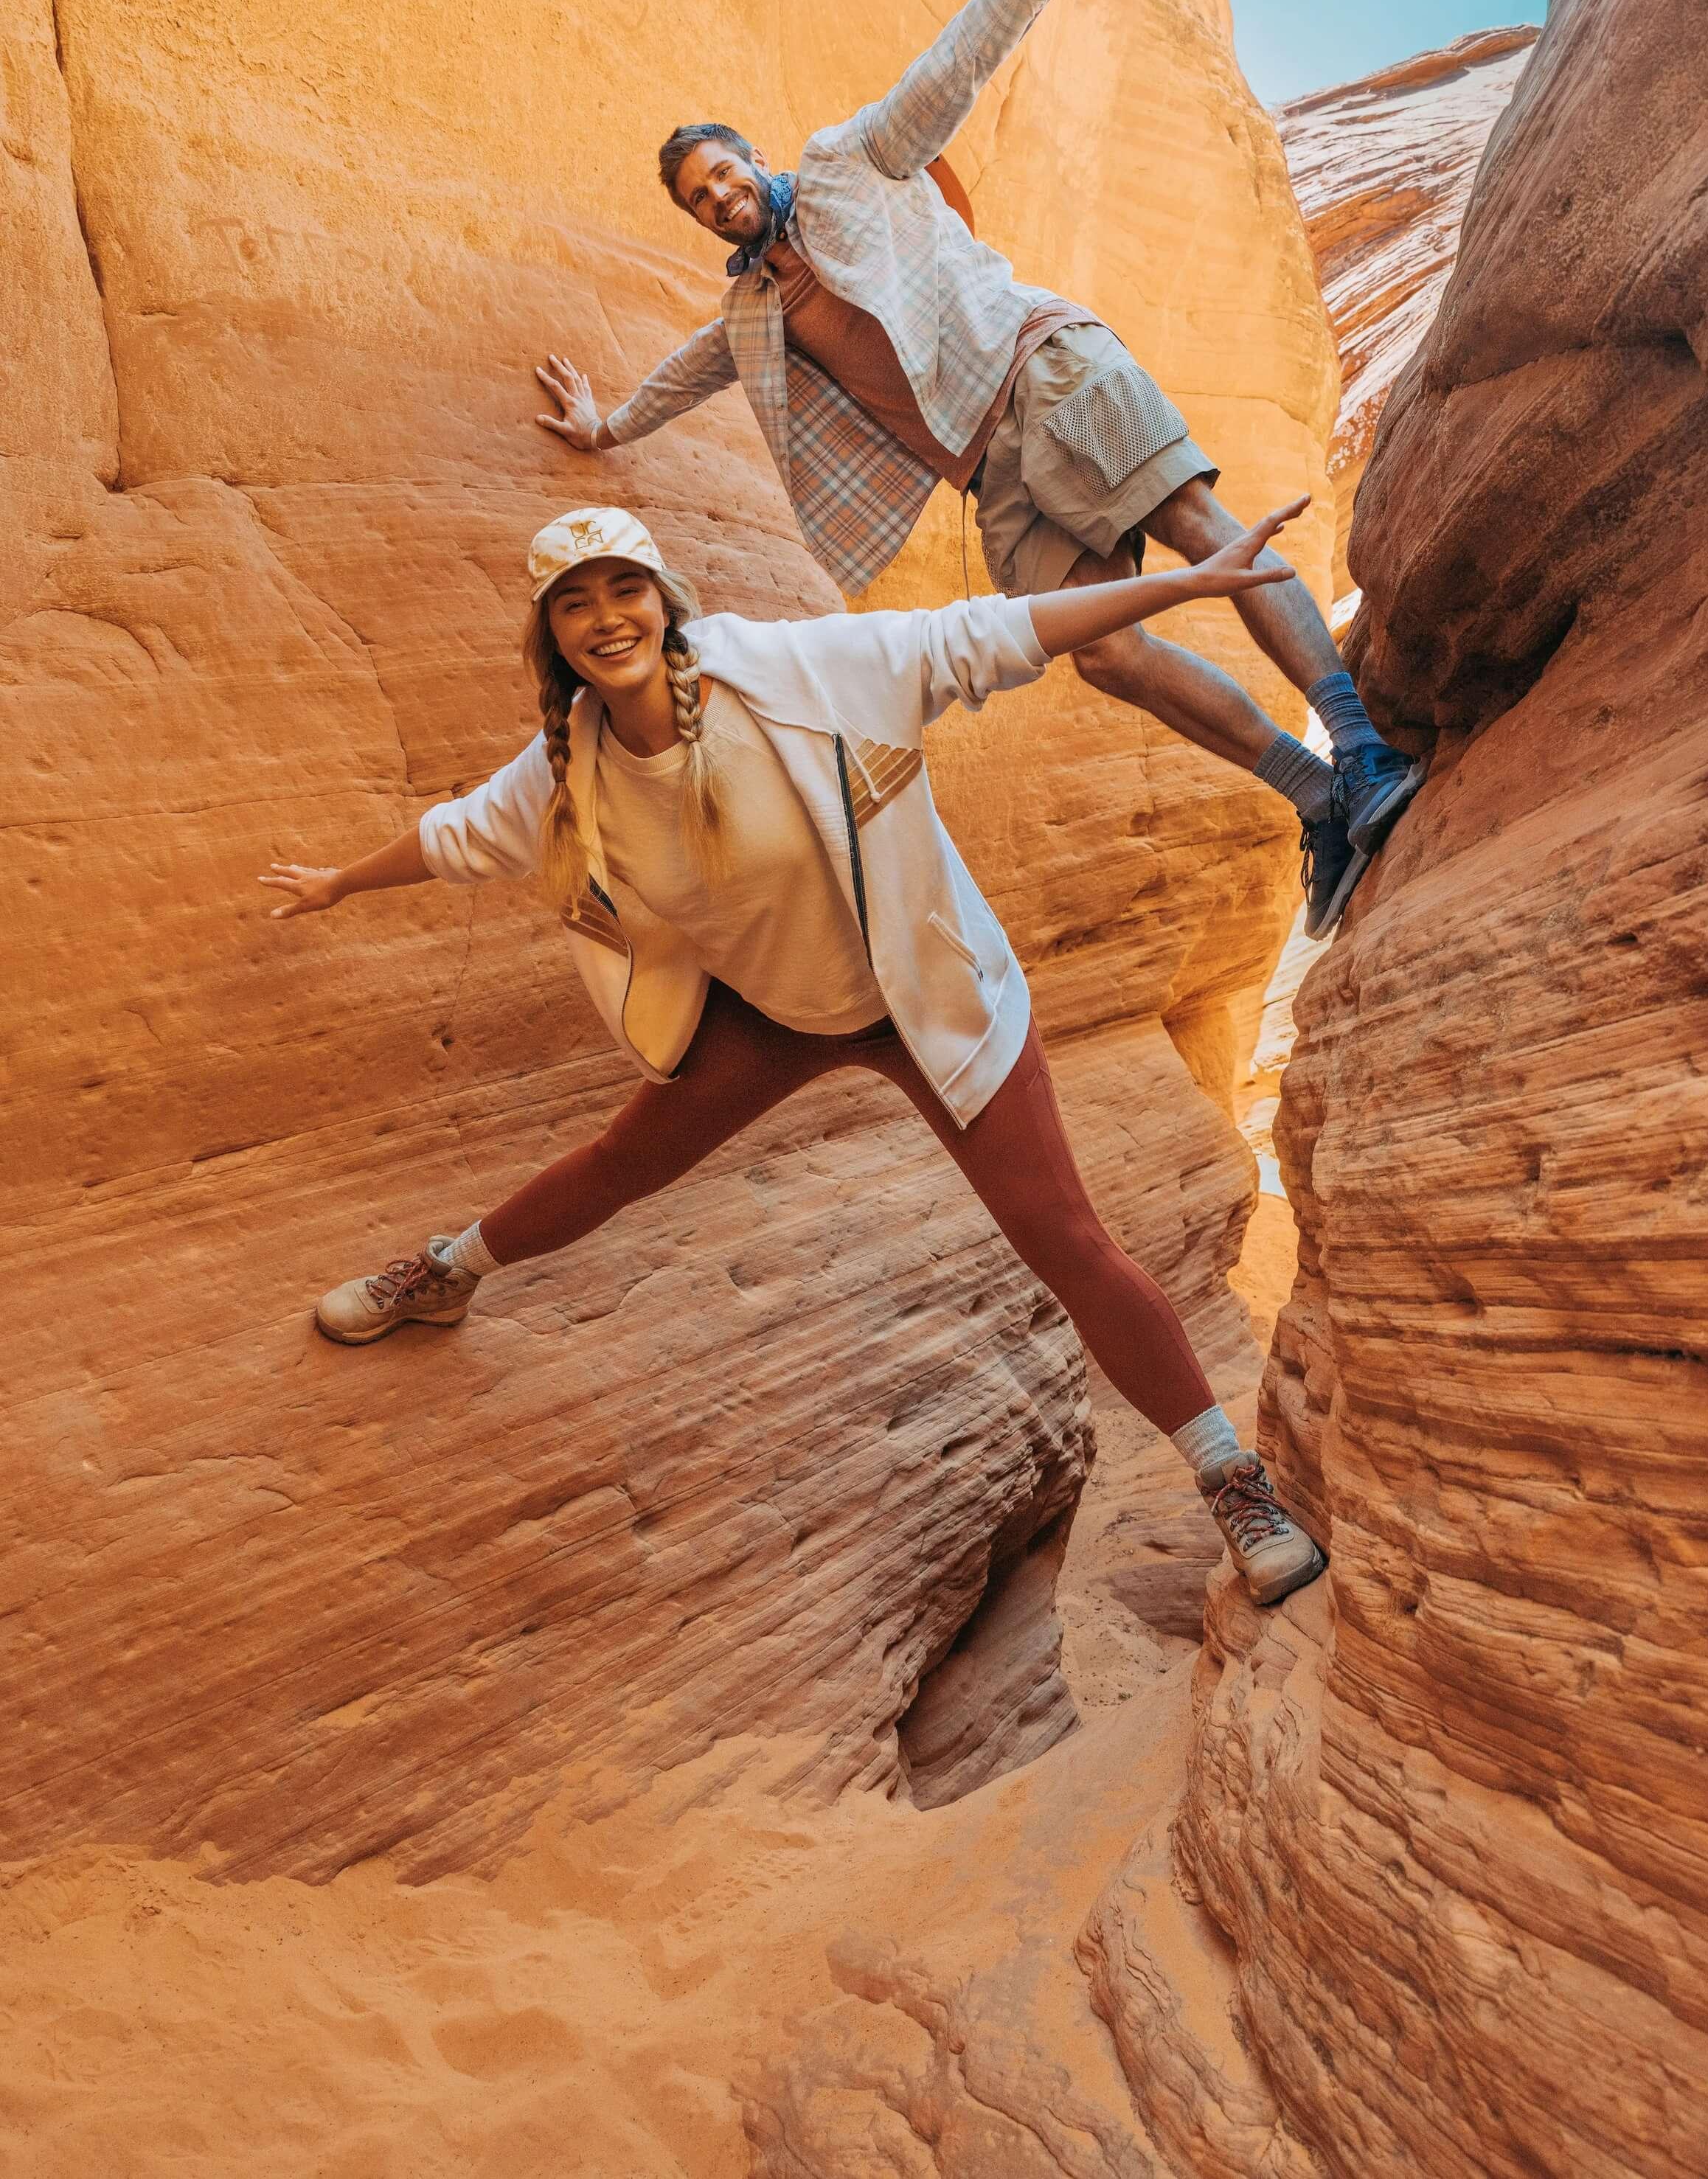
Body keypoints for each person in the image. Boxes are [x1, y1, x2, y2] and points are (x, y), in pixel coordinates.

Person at [263, 501, 1327, 1608]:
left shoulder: (798, 673)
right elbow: (460, 835)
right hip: (773, 1016)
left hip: (928, 999)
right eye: (573, 604)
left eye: (625, 589)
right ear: (552, 637)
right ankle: (447, 1274)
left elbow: (987, 633)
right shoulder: (566, 763)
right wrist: (340, 881)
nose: (606, 618)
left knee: (1063, 1239)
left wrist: (1181, 583)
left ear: (664, 602)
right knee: (622, 1161)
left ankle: (1232, 1481)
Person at [532, 0, 1421, 942]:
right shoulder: (751, 309)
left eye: (723, 171)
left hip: (1043, 369)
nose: (720, 195)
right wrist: (606, 427)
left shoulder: (847, 163)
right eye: (701, 199)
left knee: (1204, 529)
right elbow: (688, 374)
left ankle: (1360, 747)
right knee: (1101, 651)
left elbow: (951, 68)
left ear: (751, 156)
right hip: (989, 475)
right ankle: (1317, 795)